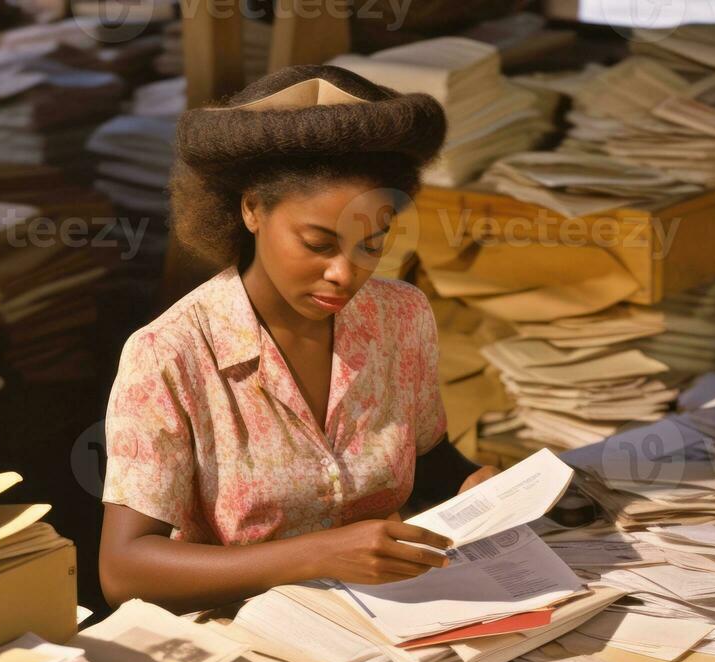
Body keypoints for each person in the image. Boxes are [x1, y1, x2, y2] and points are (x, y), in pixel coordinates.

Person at [99, 64, 500, 613]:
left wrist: (471, 485)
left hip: (398, 614)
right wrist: (318, 556)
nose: (345, 273)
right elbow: (123, 570)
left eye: (371, 244)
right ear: (251, 209)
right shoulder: (170, 354)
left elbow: (426, 458)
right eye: (318, 244)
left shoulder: (401, 317)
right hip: (246, 633)